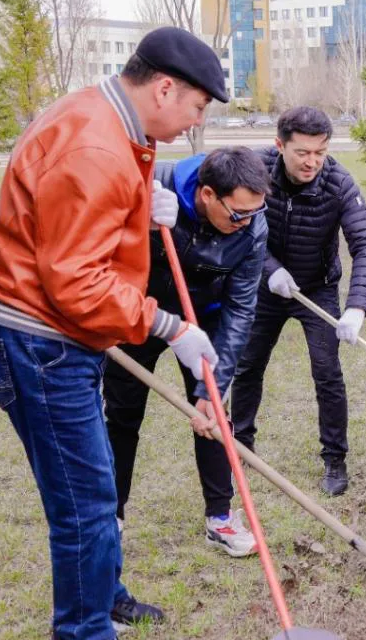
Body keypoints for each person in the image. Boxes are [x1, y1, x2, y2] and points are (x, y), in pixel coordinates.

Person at [0, 27, 227, 640]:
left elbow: (80, 224)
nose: (194, 124)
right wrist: (169, 325)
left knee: (98, 473)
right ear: (164, 87)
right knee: (83, 490)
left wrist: (144, 203)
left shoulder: (107, 118)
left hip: (51, 330)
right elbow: (76, 282)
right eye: (196, 108)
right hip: (38, 335)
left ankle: (100, 597)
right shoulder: (97, 144)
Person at [102, 147, 270, 558]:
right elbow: (97, 241)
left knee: (213, 410)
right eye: (238, 214)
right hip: (140, 313)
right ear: (208, 194)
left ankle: (220, 518)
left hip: (204, 319)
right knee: (122, 414)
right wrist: (142, 219)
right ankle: (110, 517)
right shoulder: (154, 184)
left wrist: (213, 383)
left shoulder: (252, 224)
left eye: (255, 212)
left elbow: (241, 308)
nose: (247, 222)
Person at [230, 106, 366, 497]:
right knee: (247, 366)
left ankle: (335, 459)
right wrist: (271, 269)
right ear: (280, 145)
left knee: (327, 373)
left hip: (317, 288)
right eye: (303, 152)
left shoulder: (338, 182)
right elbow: (239, 227)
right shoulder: (255, 170)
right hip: (267, 286)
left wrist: (356, 306)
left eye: (320, 151)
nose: (312, 161)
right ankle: (240, 447)